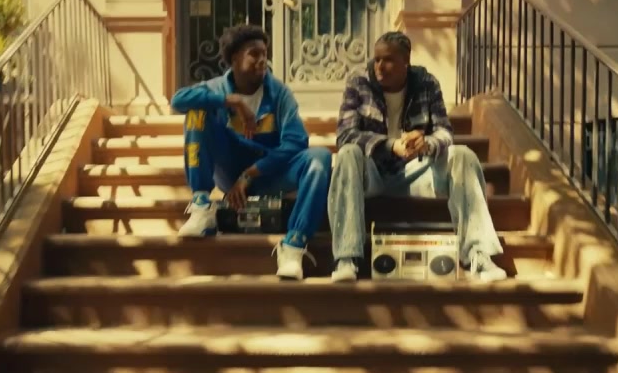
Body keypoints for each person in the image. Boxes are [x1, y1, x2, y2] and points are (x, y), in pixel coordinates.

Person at [329, 31, 507, 283]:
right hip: (372, 173)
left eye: (388, 60)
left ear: (406, 61)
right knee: (348, 154)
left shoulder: (426, 83)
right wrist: (390, 145)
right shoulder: (359, 82)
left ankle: (479, 254)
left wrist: (427, 143)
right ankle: (346, 258)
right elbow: (345, 135)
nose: (379, 66)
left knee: (464, 155)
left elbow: (445, 132)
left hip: (417, 171)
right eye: (377, 59)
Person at [170, 24, 331, 280]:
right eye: (254, 54)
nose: (262, 60)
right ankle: (202, 206)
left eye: (265, 54)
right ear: (234, 58)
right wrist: (230, 101)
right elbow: (178, 100)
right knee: (196, 112)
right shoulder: (216, 88)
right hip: (230, 171)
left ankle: (294, 245)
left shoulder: (279, 93)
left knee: (320, 157)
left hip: (268, 173)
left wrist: (251, 173)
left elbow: (296, 142)